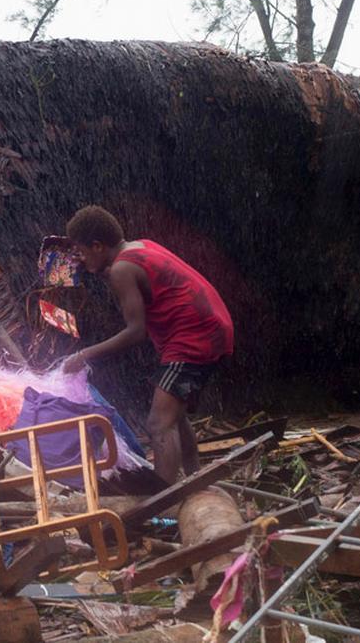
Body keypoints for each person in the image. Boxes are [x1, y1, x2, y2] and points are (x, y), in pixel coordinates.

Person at [62, 205, 233, 483]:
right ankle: (195, 479)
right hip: (211, 326)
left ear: (97, 246)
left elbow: (136, 331)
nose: (79, 258)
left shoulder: (121, 270)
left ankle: (160, 499)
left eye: (81, 251)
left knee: (157, 423)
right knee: (174, 415)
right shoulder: (139, 247)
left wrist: (84, 355)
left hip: (194, 337)